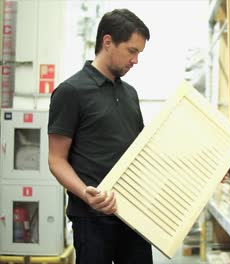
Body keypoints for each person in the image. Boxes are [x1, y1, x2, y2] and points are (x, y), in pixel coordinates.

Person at [48, 9, 152, 264]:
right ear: (107, 42)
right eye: (131, 50)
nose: (136, 60)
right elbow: (56, 160)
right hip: (91, 219)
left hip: (133, 215)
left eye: (139, 53)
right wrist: (86, 194)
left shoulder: (130, 94)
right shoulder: (71, 92)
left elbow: (144, 151)